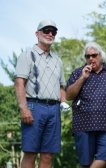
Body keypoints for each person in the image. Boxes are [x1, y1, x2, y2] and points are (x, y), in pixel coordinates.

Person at [15, 19, 69, 168]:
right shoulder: (27, 55)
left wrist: (63, 101)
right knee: (30, 152)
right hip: (34, 106)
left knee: (47, 154)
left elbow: (62, 86)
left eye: (53, 31)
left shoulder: (57, 60)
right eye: (46, 30)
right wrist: (23, 108)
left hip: (54, 110)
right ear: (37, 34)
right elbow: (19, 83)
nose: (50, 34)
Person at [66, 42, 106, 168]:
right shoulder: (78, 72)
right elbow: (69, 95)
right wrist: (82, 78)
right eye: (87, 56)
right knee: (85, 163)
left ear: (101, 56)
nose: (91, 58)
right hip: (83, 124)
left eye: (94, 55)